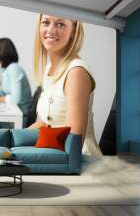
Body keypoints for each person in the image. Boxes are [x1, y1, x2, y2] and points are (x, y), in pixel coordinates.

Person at [28, 14, 102, 156]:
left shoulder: (76, 72)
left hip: (78, 160)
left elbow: (73, 143)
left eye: (60, 24)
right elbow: (43, 124)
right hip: (54, 152)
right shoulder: (49, 69)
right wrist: (11, 139)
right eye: (46, 22)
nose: (51, 30)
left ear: (73, 31)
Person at [0, 38, 33, 125]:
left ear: (2, 52)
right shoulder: (5, 69)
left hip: (19, 119)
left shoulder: (14, 68)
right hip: (10, 114)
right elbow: (0, 93)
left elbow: (15, 100)